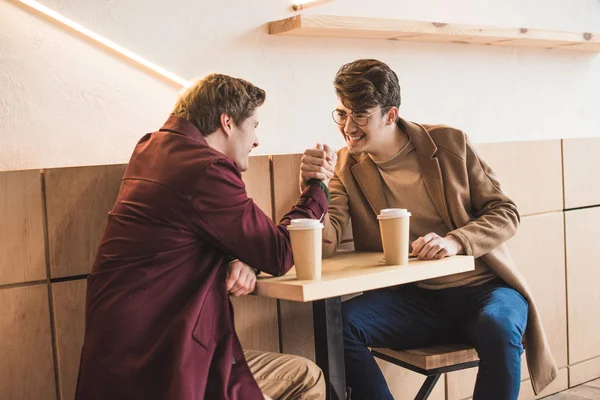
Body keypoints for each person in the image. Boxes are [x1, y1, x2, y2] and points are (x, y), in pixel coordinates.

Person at [299, 59, 557, 400]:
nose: (348, 126)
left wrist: (456, 241)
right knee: (340, 326)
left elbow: (506, 212)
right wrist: (312, 188)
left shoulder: (450, 144)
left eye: (360, 114)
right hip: (416, 298)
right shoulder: (345, 167)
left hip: (485, 289)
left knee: (498, 326)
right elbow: (326, 242)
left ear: (390, 115)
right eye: (342, 113)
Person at [76, 73, 329, 400]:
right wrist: (315, 187)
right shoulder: (206, 169)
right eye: (253, 125)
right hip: (165, 365)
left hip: (121, 361)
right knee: (305, 378)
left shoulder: (152, 149)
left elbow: (190, 232)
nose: (256, 140)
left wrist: (243, 257)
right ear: (227, 122)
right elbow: (280, 252)